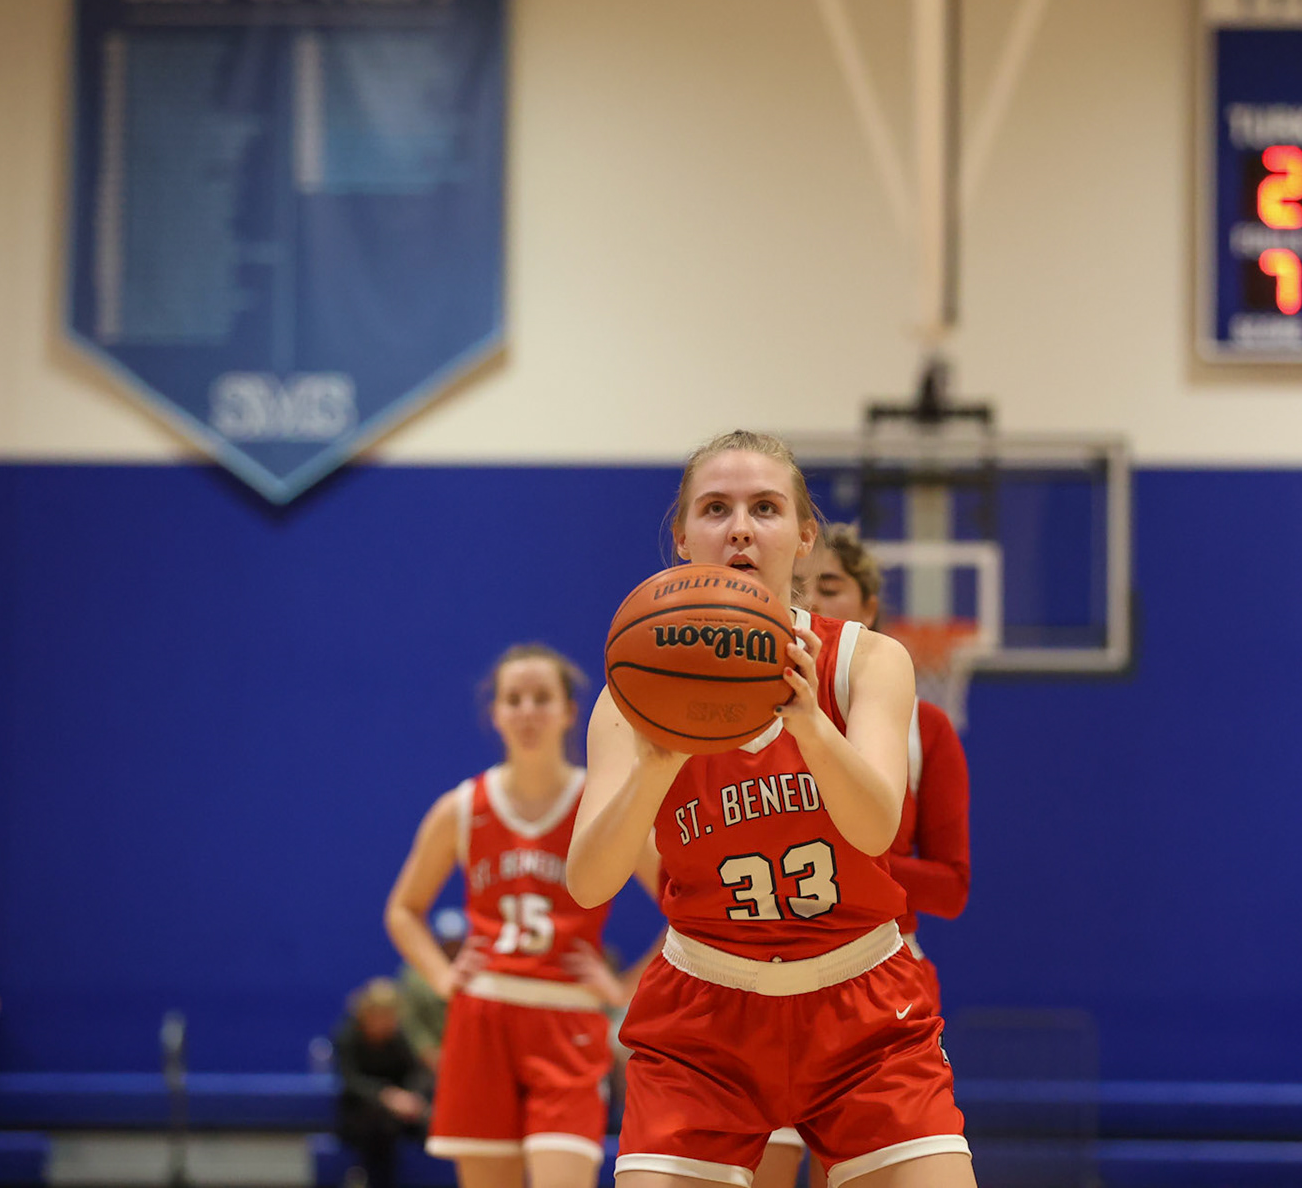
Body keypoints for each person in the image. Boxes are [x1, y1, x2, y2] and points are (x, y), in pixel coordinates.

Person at [568, 430, 975, 1188]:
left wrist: (809, 722)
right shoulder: (634, 689)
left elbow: (876, 825)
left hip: (863, 1008)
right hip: (705, 1015)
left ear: (804, 536)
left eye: (766, 507)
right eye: (716, 509)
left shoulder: (867, 662)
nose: (742, 528)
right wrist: (656, 763)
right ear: (683, 537)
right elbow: (589, 882)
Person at [758, 524, 974, 1188]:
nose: (817, 603)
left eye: (833, 588)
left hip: (874, 977)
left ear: (868, 609)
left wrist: (858, 864)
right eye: (803, 590)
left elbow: (951, 888)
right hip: (758, 974)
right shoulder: (738, 711)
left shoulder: (924, 728)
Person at [386, 644, 620, 1188]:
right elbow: (402, 909)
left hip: (568, 1020)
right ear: (495, 714)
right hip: (483, 1020)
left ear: (568, 711)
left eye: (543, 697)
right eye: (514, 699)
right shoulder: (463, 807)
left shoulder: (600, 803)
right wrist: (444, 978)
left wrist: (625, 987)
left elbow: (684, 900)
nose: (528, 710)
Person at [333, 977, 432, 1188]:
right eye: (380, 1015)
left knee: (433, 1121)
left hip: (401, 1110)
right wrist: (386, 1096)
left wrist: (411, 1097)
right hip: (361, 1112)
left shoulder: (398, 1037)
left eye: (390, 1015)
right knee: (380, 1127)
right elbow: (351, 1080)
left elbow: (417, 1073)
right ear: (366, 1013)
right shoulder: (348, 1036)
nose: (386, 1021)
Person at [395, 909, 467, 1071]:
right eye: (447, 943)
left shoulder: (482, 970)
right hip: (429, 1062)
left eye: (457, 943)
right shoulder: (415, 975)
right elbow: (411, 1019)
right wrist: (428, 1052)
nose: (452, 948)